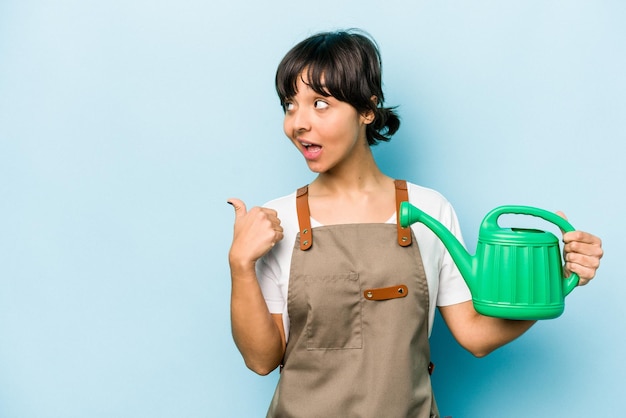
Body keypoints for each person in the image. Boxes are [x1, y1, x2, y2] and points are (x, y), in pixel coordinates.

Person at [227, 29, 603, 418]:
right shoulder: (279, 219)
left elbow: (475, 335)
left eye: (320, 104)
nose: (298, 124)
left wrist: (554, 283)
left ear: (367, 110)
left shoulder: (428, 210)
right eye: (290, 105)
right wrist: (240, 266)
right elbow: (261, 359)